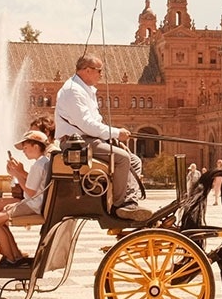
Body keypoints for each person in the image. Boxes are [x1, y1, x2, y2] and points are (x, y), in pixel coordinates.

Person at [54, 54, 150, 221]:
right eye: (99, 71)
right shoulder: (73, 91)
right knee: (121, 158)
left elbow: (93, 122)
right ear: (87, 70)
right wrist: (115, 133)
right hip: (76, 144)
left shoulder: (85, 89)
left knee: (134, 160)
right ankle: (121, 206)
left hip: (89, 140)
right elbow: (86, 124)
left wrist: (112, 139)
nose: (101, 75)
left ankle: (130, 201)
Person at [0, 130, 53, 265]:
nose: (23, 152)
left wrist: (17, 174)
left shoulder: (38, 165)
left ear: (36, 147)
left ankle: (11, 259)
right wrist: (19, 172)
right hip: (34, 204)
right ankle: (15, 255)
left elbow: (31, 191)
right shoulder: (44, 162)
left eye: (25, 148)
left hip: (32, 205)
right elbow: (34, 184)